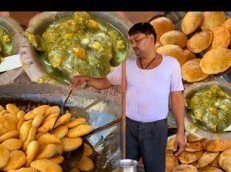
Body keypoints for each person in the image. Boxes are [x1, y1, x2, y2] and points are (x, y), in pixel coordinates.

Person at [72, 22, 186, 172]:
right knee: (127, 168)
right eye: (131, 42)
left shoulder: (171, 64)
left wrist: (180, 132)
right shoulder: (127, 65)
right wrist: (86, 78)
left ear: (151, 38)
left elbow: (177, 98)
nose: (134, 45)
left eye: (137, 40)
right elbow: (105, 82)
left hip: (155, 128)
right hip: (129, 126)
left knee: (155, 168)